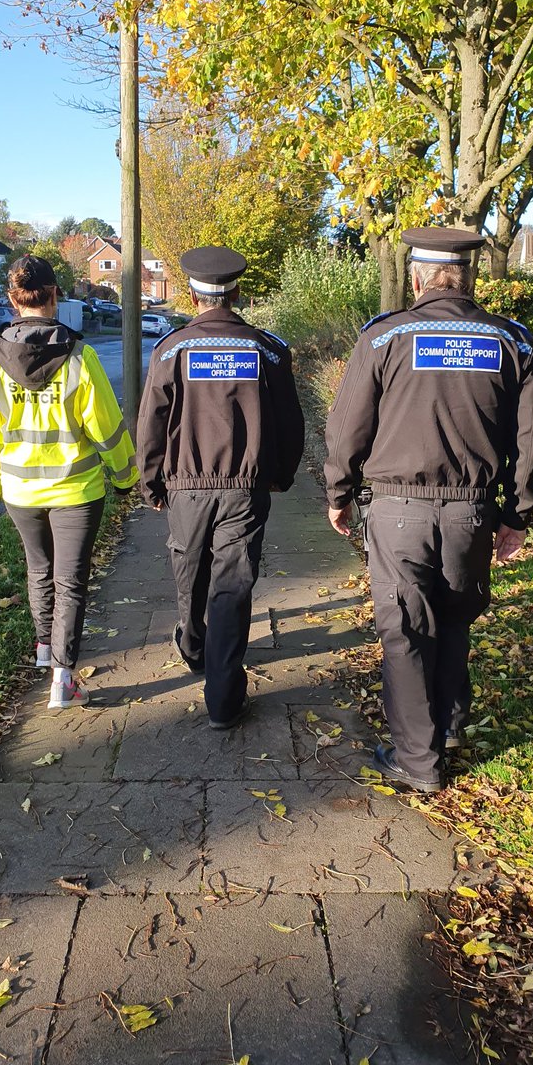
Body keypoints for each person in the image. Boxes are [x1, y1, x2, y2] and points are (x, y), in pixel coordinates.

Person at [324, 227, 533, 793]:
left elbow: (348, 426)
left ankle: (417, 763)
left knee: (404, 631)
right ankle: (445, 728)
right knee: (452, 619)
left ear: (418, 277)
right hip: (471, 512)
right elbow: (528, 440)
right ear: (468, 277)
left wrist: (339, 492)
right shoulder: (512, 341)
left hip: (398, 512)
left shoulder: (383, 337)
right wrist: (516, 514)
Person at [136, 245, 305, 729]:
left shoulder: (171, 349)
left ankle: (192, 645)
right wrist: (280, 474)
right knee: (233, 584)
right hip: (246, 486)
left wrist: (152, 483)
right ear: (237, 293)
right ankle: (225, 701)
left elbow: (151, 424)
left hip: (187, 486)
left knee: (189, 567)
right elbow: (290, 423)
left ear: (192, 295)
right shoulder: (268, 349)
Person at [0, 254, 139, 710]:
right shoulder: (79, 358)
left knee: (39, 569)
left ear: (12, 300)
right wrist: (128, 477)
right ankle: (63, 678)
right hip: (76, 491)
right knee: (71, 581)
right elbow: (107, 426)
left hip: (20, 491)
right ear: (55, 297)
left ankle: (45, 649)